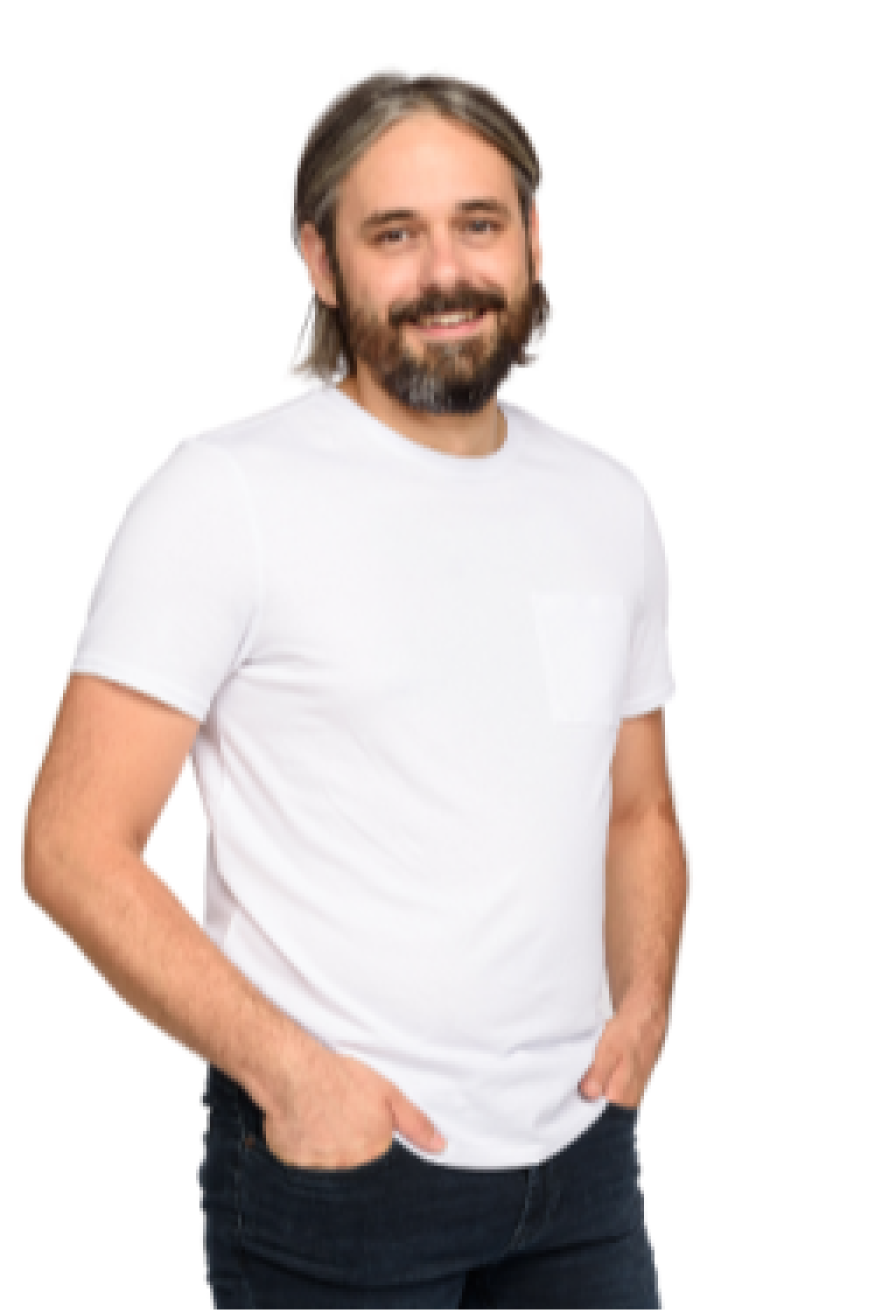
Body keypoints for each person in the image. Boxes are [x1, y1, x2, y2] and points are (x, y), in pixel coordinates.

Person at [23, 72, 688, 1310]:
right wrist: (290, 1073)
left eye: (478, 224)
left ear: (531, 240)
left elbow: (637, 806)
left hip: (579, 1164)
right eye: (394, 234)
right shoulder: (225, 497)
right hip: (343, 1171)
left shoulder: (604, 503)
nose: (446, 271)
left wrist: (643, 1007)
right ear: (321, 263)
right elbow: (71, 843)